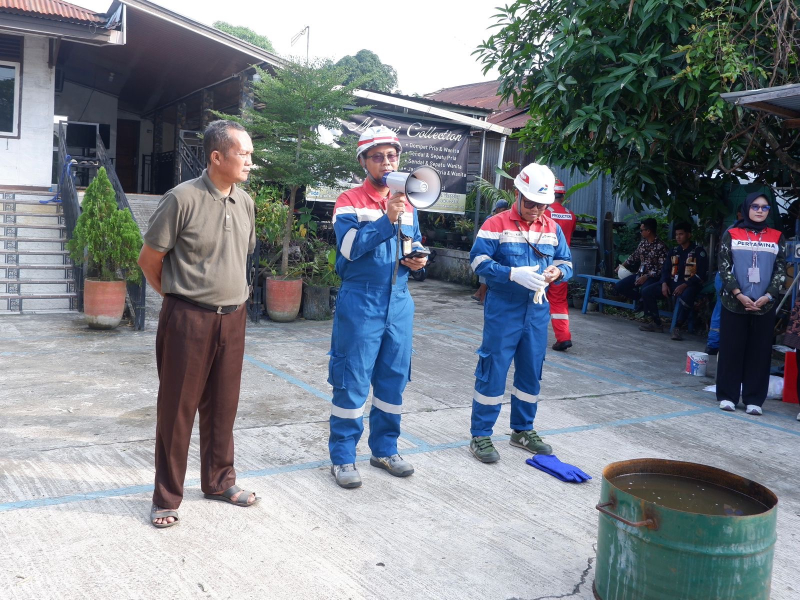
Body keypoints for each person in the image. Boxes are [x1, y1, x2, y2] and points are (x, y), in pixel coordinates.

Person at [137, 120, 258, 528]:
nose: (249, 162)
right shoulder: (181, 199)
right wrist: (178, 300)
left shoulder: (246, 202)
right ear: (217, 156)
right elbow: (148, 261)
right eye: (244, 154)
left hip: (234, 318)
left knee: (223, 406)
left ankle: (219, 481)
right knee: (177, 411)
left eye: (251, 154)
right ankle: (167, 496)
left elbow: (241, 257)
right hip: (188, 319)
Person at [327, 125, 427, 488]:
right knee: (352, 379)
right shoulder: (348, 200)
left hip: (399, 300)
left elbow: (411, 244)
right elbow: (350, 249)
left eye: (392, 155)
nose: (387, 162)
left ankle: (385, 448)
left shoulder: (410, 203)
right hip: (362, 300)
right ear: (363, 161)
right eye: (378, 156)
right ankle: (342, 457)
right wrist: (387, 218)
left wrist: (416, 260)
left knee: (393, 378)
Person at [467, 163, 572, 463]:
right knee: (493, 370)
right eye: (530, 204)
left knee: (530, 370)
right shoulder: (496, 224)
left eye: (542, 205)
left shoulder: (551, 228)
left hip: (537, 310)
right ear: (517, 194)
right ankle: (481, 435)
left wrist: (556, 272)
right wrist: (511, 274)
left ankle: (522, 430)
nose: (536, 210)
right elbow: (477, 262)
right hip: (504, 309)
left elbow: (567, 261)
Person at [716, 191, 786, 415]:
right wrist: (738, 294)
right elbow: (724, 267)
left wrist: (769, 296)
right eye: (755, 206)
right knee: (731, 349)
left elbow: (781, 270)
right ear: (747, 208)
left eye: (764, 207)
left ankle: (754, 399)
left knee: (760, 351)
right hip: (734, 303)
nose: (759, 210)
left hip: (764, 305)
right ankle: (728, 396)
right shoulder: (732, 234)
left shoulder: (777, 236)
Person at [640, 222, 708, 340]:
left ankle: (678, 327)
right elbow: (665, 270)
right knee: (646, 291)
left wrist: (685, 285)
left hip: (690, 284)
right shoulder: (674, 251)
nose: (678, 237)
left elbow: (701, 274)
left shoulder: (698, 251)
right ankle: (657, 323)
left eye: (681, 234)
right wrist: (664, 283)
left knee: (687, 295)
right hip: (672, 283)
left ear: (689, 235)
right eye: (676, 234)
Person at [614, 218, 668, 320]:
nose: (640, 232)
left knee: (646, 290)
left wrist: (647, 276)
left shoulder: (661, 246)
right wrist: (622, 266)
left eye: (642, 230)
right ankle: (641, 300)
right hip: (640, 274)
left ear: (648, 231)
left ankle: (653, 320)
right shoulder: (643, 243)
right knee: (619, 286)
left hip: (653, 277)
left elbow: (663, 268)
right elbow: (634, 256)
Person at [545, 178, 577, 351]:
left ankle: (530, 335)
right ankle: (563, 337)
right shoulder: (571, 215)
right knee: (558, 302)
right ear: (563, 197)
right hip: (562, 266)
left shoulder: (544, 213)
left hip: (543, 262)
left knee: (534, 298)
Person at [472, 199, 510, 304]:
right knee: (485, 275)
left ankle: (480, 295)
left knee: (487, 276)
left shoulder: (500, 219)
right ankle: (482, 297)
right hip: (489, 251)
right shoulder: (491, 219)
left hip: (495, 251)